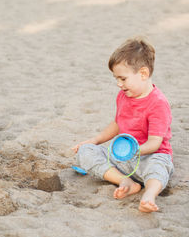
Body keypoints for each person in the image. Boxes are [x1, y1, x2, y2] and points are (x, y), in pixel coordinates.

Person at [72, 37, 173, 212]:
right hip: (122, 157)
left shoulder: (158, 103)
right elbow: (118, 123)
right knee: (85, 152)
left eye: (123, 79)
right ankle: (124, 181)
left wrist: (135, 152)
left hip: (149, 155)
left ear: (143, 73)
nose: (119, 84)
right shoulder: (124, 95)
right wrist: (94, 140)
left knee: (158, 169)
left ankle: (149, 195)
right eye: (116, 79)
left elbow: (155, 143)